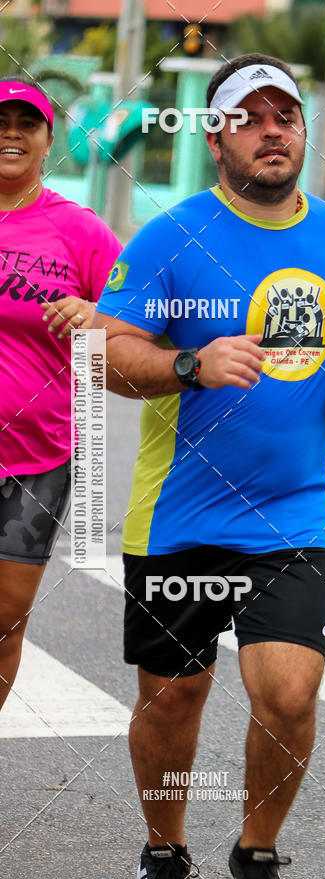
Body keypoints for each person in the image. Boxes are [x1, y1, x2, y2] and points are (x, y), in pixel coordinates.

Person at [94, 53, 325, 879]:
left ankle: (256, 853)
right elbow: (107, 353)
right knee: (173, 698)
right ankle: (164, 852)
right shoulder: (171, 235)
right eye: (250, 118)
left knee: (289, 696)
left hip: (294, 512)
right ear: (216, 138)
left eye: (285, 116)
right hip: (180, 516)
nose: (272, 131)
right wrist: (190, 364)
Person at [0, 78, 120, 715]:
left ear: (50, 140)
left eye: (28, 123)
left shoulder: (79, 230)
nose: (11, 134)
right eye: (1, 122)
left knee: (6, 618)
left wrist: (94, 315)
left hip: (37, 457)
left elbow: (142, 317)